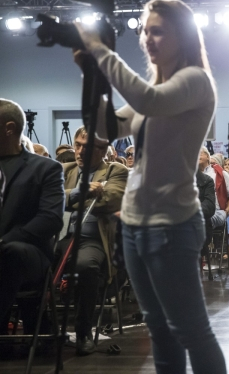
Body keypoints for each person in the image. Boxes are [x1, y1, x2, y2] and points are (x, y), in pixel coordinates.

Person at [74, 0, 226, 373]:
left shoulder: (194, 81)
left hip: (172, 226)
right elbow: (104, 129)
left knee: (191, 330)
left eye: (158, 30)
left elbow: (148, 99)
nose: (147, 38)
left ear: (183, 36)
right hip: (135, 226)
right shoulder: (152, 91)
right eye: (145, 30)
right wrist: (92, 77)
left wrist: (100, 50)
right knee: (159, 329)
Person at [0, 99, 65, 337]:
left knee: (10, 252)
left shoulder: (46, 168)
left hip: (29, 253)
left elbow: (50, 219)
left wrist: (3, 242)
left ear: (9, 128)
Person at [61, 125, 127, 355]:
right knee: (28, 259)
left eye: (86, 148)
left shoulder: (115, 171)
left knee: (86, 266)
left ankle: (82, 333)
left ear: (102, 150)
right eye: (77, 145)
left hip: (92, 240)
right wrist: (85, 191)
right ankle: (41, 330)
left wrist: (67, 199)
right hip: (59, 237)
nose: (79, 152)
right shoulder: (62, 169)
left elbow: (109, 201)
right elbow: (49, 199)